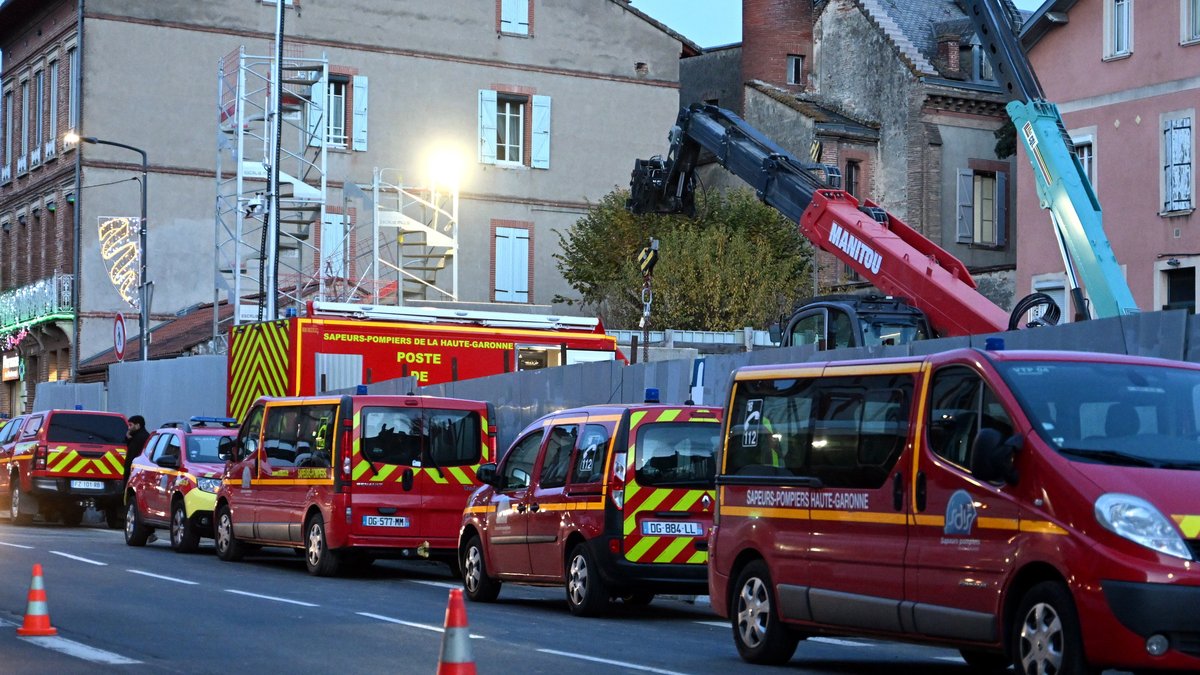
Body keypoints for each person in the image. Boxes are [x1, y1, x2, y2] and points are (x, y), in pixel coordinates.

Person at [124, 415, 155, 541]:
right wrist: (128, 437)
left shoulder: (141, 438)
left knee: (135, 503)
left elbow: (134, 456)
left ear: (138, 425)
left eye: (131, 425)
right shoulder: (137, 437)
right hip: (135, 473)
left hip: (136, 475)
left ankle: (145, 533)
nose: (129, 427)